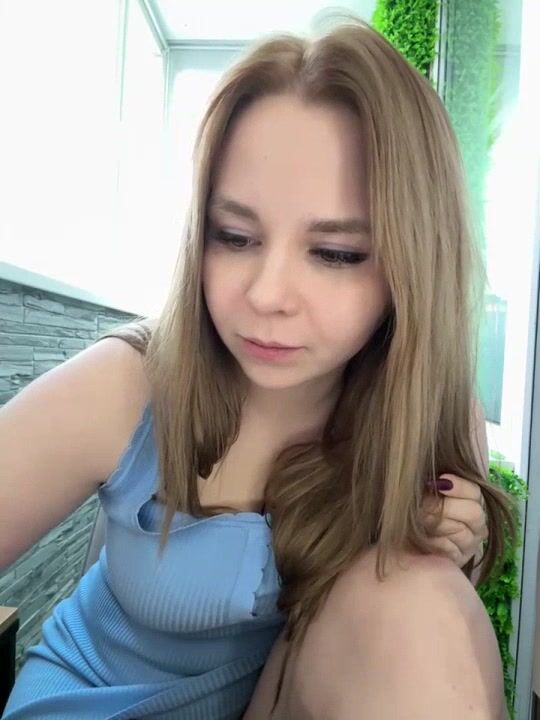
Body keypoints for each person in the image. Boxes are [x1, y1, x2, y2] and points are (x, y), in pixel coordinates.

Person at [0, 16, 516, 720]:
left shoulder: (430, 417)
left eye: (335, 253)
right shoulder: (131, 383)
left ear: (413, 266)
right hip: (92, 704)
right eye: (235, 237)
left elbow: (410, 652)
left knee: (419, 602)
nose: (267, 294)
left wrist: (454, 541)